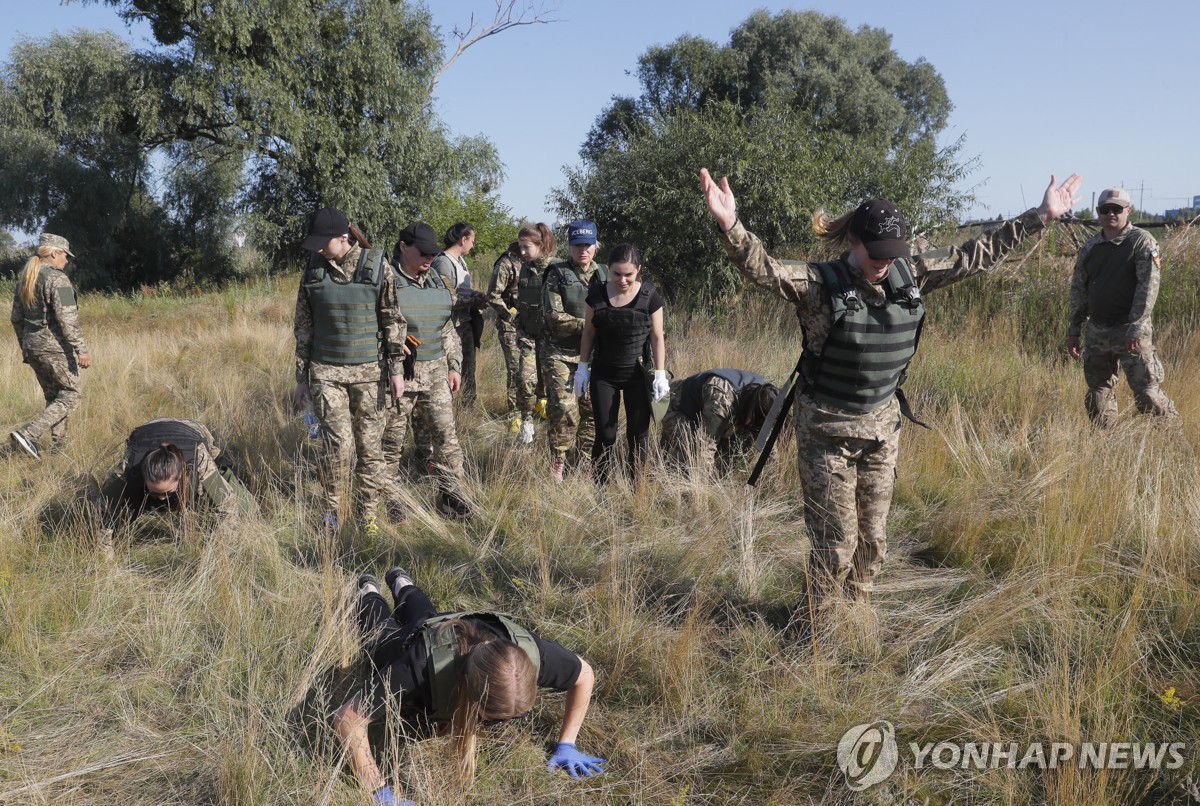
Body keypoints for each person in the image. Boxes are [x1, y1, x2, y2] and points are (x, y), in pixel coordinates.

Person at [700, 167, 1081, 611]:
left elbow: (976, 254)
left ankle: (856, 613)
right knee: (835, 545)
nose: (884, 261)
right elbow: (764, 269)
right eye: (875, 251)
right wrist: (731, 226)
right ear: (852, 243)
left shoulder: (910, 274)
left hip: (883, 430)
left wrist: (1040, 215)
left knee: (873, 541)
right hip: (827, 433)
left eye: (892, 251)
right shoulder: (819, 285)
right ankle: (821, 633)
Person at [334, 568, 605, 803]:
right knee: (382, 632)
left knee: (428, 615)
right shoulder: (417, 669)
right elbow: (347, 719)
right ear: (467, 690)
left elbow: (585, 675)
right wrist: (380, 793)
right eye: (494, 718)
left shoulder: (533, 656)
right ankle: (369, 589)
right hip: (406, 646)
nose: (505, 725)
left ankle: (401, 582)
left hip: (447, 626)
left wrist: (567, 743)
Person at [294, 207, 404, 536]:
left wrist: (396, 369)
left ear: (343, 238)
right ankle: (333, 511)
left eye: (321, 241)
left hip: (370, 374)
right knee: (337, 446)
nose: (316, 248)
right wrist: (301, 378)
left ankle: (367, 513)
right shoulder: (313, 269)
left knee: (370, 448)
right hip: (326, 372)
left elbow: (392, 320)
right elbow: (303, 327)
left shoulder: (376, 265)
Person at [382, 222, 473, 521]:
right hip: (399, 376)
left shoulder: (436, 279)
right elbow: (369, 326)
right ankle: (391, 498)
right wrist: (392, 344)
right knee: (390, 442)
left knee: (446, 438)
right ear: (403, 246)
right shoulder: (385, 281)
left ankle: (450, 495)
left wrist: (454, 365)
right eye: (422, 252)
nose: (429, 258)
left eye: (433, 253)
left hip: (436, 373)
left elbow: (447, 327)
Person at [1066, 187, 1178, 427]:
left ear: (1128, 210)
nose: (1110, 214)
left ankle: (1173, 437)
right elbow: (1079, 290)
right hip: (1098, 331)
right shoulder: (1090, 248)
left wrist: (1136, 327)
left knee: (1148, 394)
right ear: (1099, 213)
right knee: (1097, 395)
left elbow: (1148, 287)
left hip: (1131, 331)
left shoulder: (1141, 241)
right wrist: (1074, 329)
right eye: (1105, 209)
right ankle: (1105, 445)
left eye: (1116, 209)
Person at [573, 244, 667, 484]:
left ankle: (637, 489)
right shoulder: (596, 294)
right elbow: (588, 333)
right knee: (606, 434)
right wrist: (582, 368)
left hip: (637, 374)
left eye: (629, 274)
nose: (622, 280)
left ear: (638, 270)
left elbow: (657, 336)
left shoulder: (650, 296)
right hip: (604, 374)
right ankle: (600, 488)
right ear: (608, 269)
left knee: (638, 436)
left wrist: (660, 373)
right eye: (616, 274)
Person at [95, 418, 253, 542]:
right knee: (116, 495)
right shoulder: (130, 464)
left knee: (248, 510)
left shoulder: (198, 459)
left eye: (168, 493)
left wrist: (220, 548)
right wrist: (105, 558)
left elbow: (227, 505)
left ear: (182, 476)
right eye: (155, 493)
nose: (162, 498)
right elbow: (102, 508)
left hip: (192, 431)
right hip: (150, 429)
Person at [9, 233, 90, 460]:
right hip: (54, 348)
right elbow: (68, 319)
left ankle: (59, 448)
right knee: (71, 395)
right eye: (65, 255)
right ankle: (28, 434)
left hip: (32, 345)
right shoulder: (59, 280)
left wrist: (25, 346)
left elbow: (15, 318)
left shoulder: (26, 279)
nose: (67, 260)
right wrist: (81, 349)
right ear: (54, 253)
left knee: (55, 397)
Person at [541, 220, 607, 481]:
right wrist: (593, 324)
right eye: (578, 245)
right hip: (560, 354)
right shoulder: (556, 273)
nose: (583, 250)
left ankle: (585, 462)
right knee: (564, 410)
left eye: (588, 245)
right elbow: (554, 316)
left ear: (595, 246)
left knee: (593, 411)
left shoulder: (604, 274)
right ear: (569, 246)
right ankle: (558, 460)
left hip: (593, 355)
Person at [661, 369, 778, 474]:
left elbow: (767, 441)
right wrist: (703, 493)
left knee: (740, 446)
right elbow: (705, 449)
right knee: (691, 450)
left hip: (705, 412)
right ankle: (672, 473)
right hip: (676, 408)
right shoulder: (721, 400)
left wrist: (773, 475)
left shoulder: (763, 399)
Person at [505, 223, 556, 444]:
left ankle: (555, 432)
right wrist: (518, 325)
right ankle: (526, 423)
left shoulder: (557, 268)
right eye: (520, 247)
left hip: (552, 339)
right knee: (524, 380)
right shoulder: (525, 268)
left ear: (541, 244)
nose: (522, 252)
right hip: (528, 336)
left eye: (526, 247)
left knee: (552, 386)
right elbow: (521, 302)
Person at [430, 222, 488, 406]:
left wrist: (475, 294)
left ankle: (468, 409)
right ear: (464, 239)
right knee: (454, 370)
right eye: (472, 240)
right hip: (451, 328)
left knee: (468, 369)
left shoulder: (460, 262)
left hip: (465, 324)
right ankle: (454, 410)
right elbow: (446, 299)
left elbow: (461, 292)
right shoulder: (443, 263)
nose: (473, 245)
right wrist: (475, 301)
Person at [487, 240, 525, 416]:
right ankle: (515, 414)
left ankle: (529, 411)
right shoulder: (505, 264)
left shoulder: (530, 263)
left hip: (529, 325)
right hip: (510, 325)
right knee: (515, 368)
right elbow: (493, 296)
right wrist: (511, 316)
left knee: (530, 370)